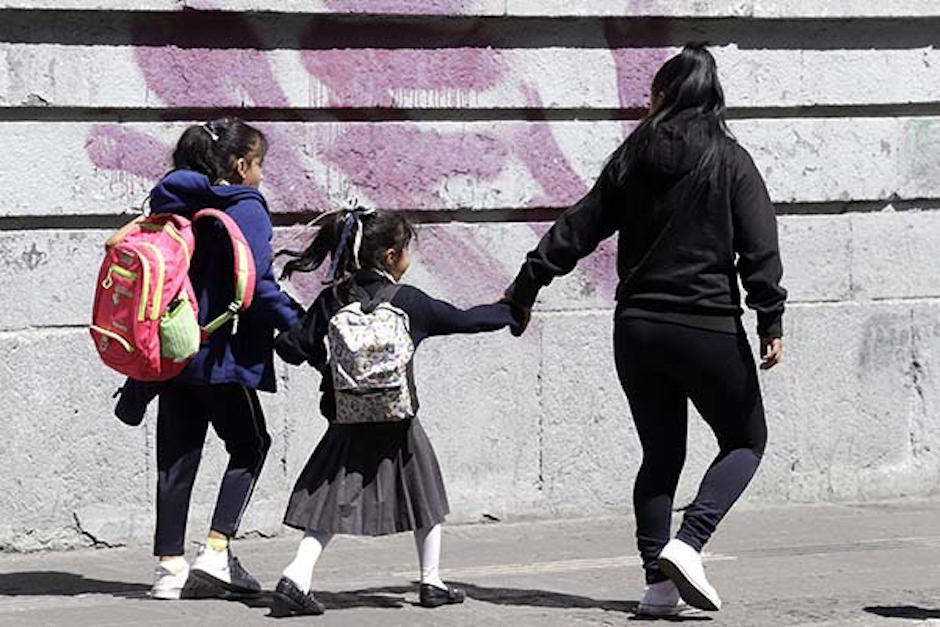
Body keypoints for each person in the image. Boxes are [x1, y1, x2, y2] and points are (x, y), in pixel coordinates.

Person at [504, 43, 786, 617]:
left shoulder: (632, 156)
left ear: (662, 95)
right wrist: (770, 317)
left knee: (661, 456)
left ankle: (658, 588)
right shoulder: (731, 160)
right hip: (706, 326)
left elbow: (577, 227)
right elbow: (759, 246)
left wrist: (527, 285)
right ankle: (690, 542)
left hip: (637, 329)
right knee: (745, 440)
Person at [270, 208, 518, 616]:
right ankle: (431, 581)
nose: (408, 259)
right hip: (398, 419)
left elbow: (293, 348)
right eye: (406, 251)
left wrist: (324, 362)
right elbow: (464, 320)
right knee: (426, 493)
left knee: (331, 498)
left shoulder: (332, 298)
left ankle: (297, 576)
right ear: (389, 256)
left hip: (347, 418)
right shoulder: (410, 303)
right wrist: (509, 310)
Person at [115, 118, 304, 600]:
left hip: (172, 353)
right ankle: (217, 551)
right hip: (221, 353)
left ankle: (169, 568)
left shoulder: (171, 200)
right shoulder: (246, 207)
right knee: (251, 444)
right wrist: (297, 324)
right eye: (259, 164)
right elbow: (258, 286)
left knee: (176, 457)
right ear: (241, 165)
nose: (262, 175)